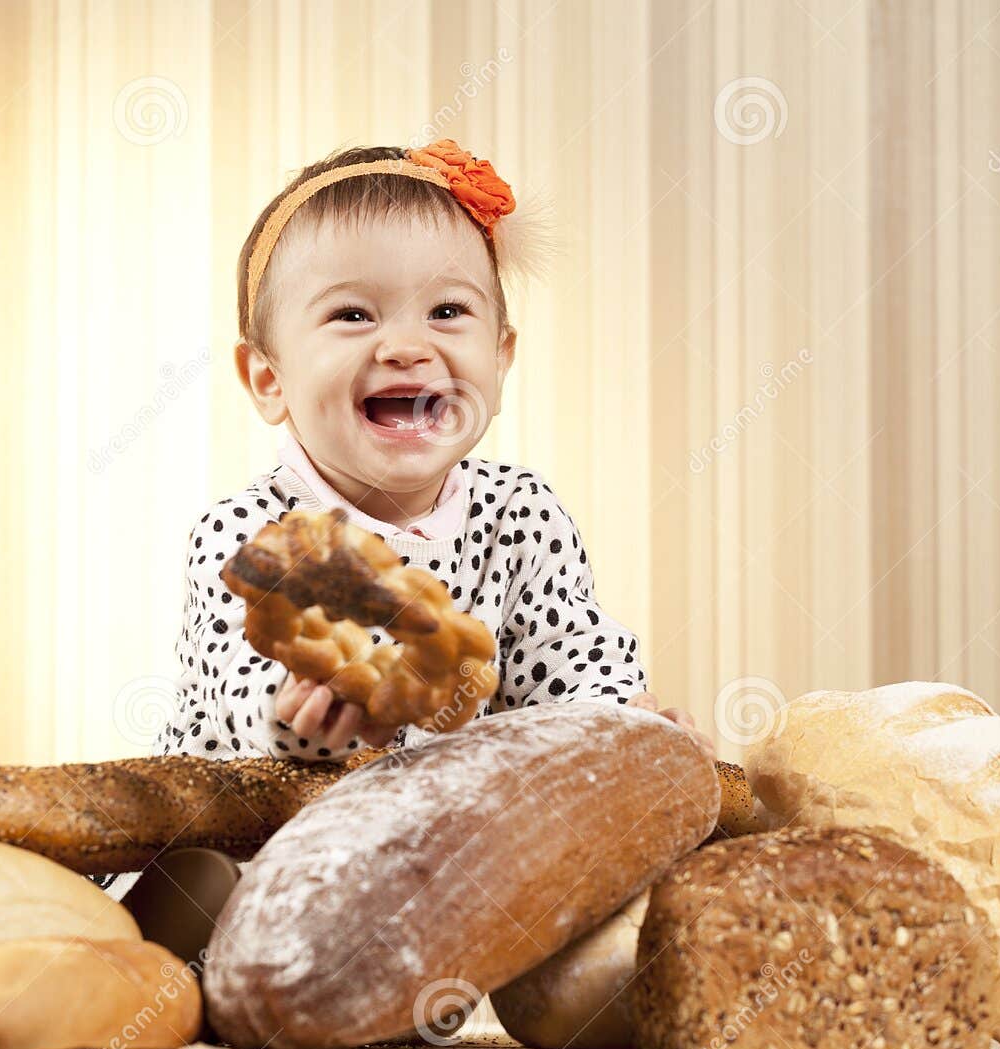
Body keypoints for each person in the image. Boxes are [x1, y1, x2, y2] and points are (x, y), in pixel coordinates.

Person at [153, 138, 712, 764]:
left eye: (446, 310)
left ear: (500, 359)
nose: (407, 346)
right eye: (353, 314)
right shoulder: (248, 534)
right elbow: (236, 683)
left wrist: (618, 722)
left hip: (437, 844)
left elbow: (568, 659)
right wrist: (290, 710)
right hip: (242, 840)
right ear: (269, 380)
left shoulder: (518, 515)